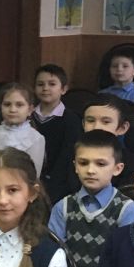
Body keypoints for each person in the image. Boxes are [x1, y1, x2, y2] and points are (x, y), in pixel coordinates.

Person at [48, 131, 134, 267]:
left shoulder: (127, 210)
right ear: (75, 166)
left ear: (118, 168)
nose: (91, 170)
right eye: (83, 163)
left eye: (101, 164)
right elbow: (53, 260)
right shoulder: (63, 207)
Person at [32, 63, 80, 204]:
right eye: (40, 84)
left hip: (58, 182)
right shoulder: (27, 117)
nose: (45, 88)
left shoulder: (71, 120)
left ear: (63, 89)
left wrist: (51, 182)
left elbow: (67, 154)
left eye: (52, 84)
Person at [83, 94, 134, 176]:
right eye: (90, 120)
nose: (96, 127)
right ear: (83, 124)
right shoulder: (70, 156)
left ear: (122, 128)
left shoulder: (133, 163)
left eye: (106, 122)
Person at [0, 81, 46, 175]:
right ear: (1, 107)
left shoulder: (36, 138)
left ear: (30, 110)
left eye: (19, 105)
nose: (12, 110)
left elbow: (34, 174)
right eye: (7, 104)